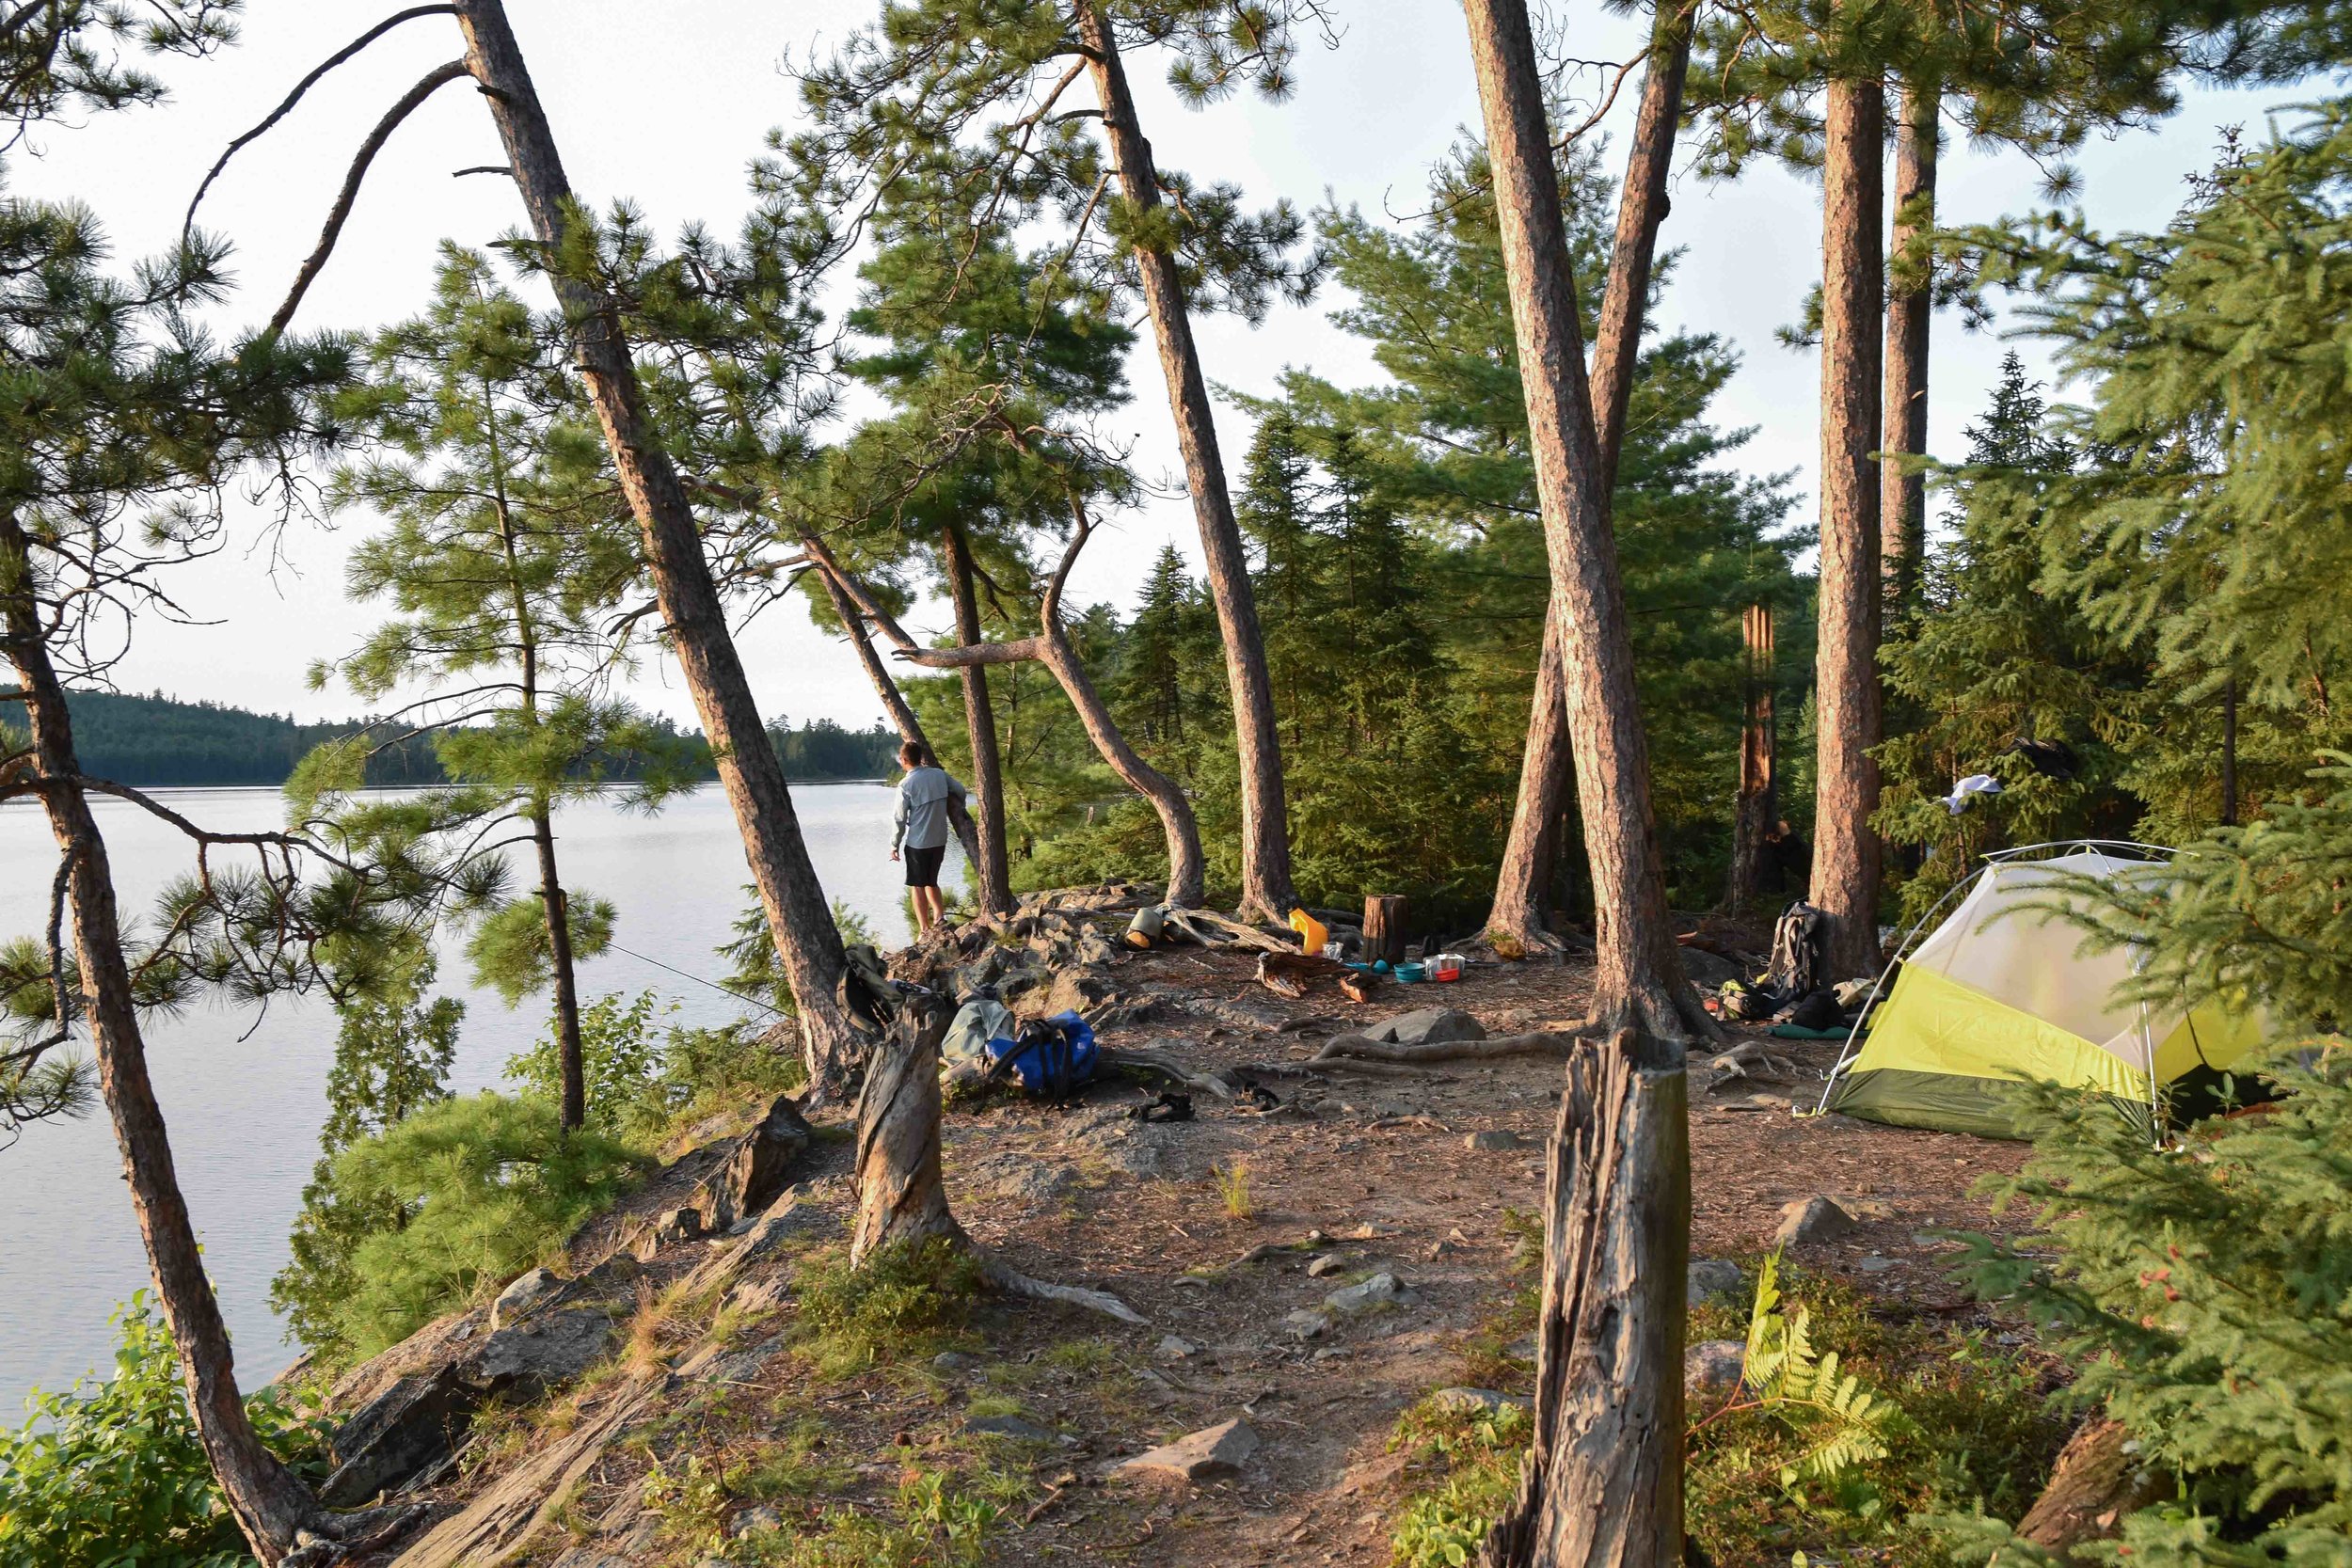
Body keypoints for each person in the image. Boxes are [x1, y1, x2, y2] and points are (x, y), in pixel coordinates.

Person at [891, 740, 966, 937]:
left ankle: (924, 928)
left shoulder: (905, 784)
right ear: (920, 757)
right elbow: (960, 790)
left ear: (904, 760)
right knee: (931, 881)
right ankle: (940, 917)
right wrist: (959, 811)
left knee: (917, 885)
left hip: (918, 842)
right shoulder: (938, 775)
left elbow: (899, 818)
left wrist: (894, 844)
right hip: (939, 839)